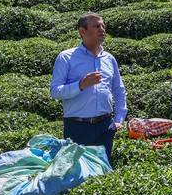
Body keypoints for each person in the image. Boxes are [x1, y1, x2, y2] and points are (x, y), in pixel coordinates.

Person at [50, 12, 127, 165]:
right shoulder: (66, 57)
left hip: (105, 127)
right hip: (77, 127)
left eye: (103, 26)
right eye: (96, 26)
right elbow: (55, 91)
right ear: (82, 31)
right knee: (76, 173)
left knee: (103, 173)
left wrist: (119, 118)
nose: (102, 29)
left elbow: (119, 90)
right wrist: (80, 85)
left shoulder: (109, 59)